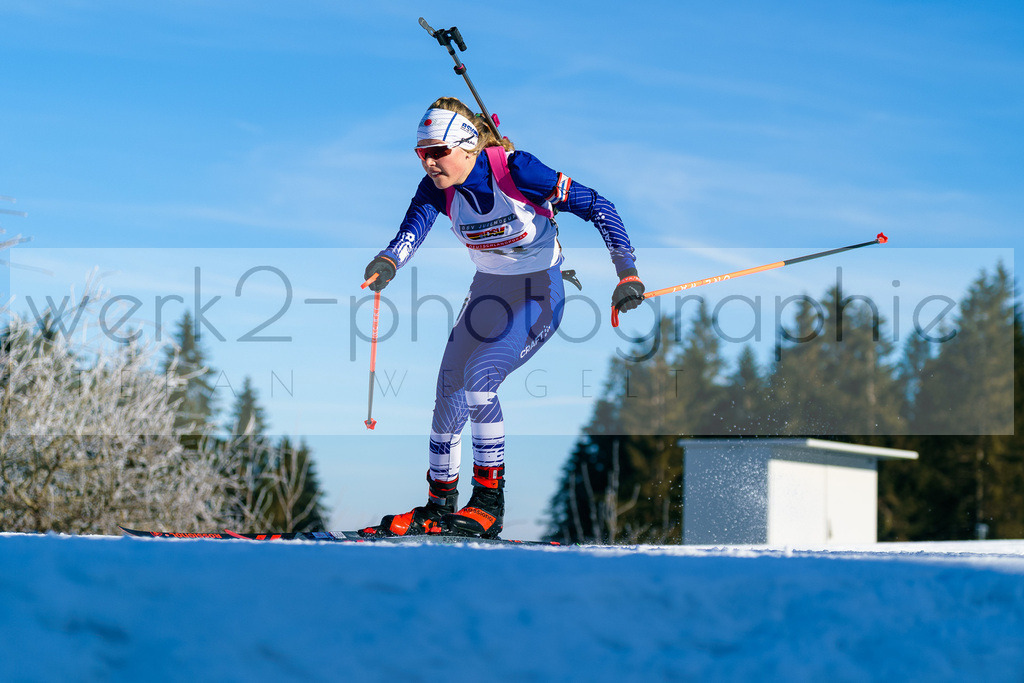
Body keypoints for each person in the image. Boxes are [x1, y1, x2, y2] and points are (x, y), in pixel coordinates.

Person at [359, 97, 645, 539]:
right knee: (449, 391)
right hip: (488, 293)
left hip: (538, 291)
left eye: (437, 152)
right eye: (421, 153)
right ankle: (439, 506)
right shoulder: (436, 188)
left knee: (480, 377)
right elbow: (411, 229)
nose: (428, 162)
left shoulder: (517, 171)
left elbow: (599, 206)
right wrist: (388, 261)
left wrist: (626, 272)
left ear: (467, 146)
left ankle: (489, 504)